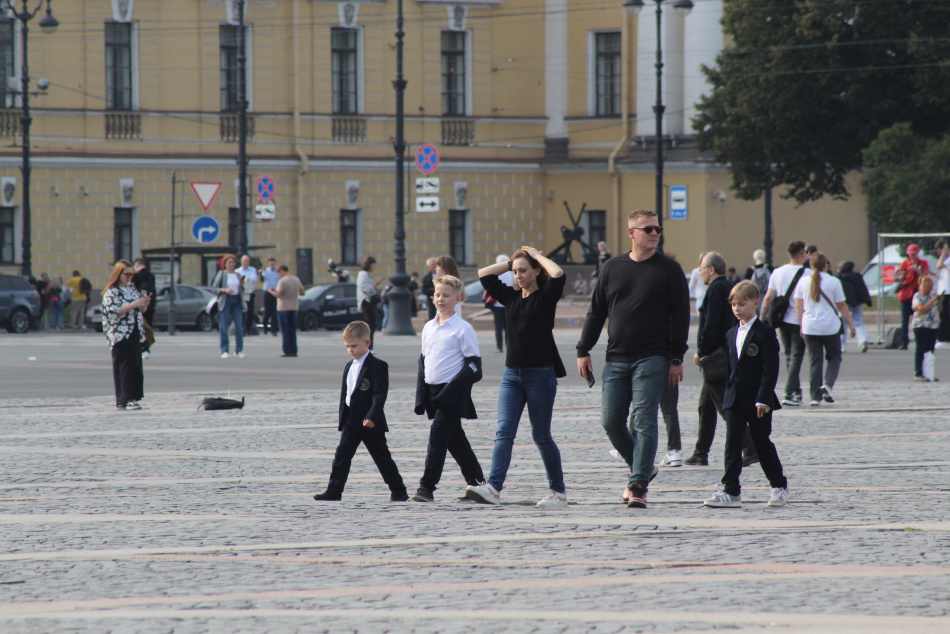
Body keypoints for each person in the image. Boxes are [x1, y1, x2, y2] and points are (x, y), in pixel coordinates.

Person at [576, 209, 690, 509]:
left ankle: (638, 484)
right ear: (631, 233)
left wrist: (677, 357)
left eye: (657, 229)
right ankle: (643, 466)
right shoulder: (613, 268)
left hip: (653, 357)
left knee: (643, 419)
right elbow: (596, 311)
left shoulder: (669, 270)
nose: (654, 233)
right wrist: (583, 349)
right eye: (648, 229)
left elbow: (682, 316)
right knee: (611, 421)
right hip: (615, 358)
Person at [466, 246, 568, 508]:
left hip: (541, 376)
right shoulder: (510, 298)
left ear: (536, 271)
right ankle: (493, 488)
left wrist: (536, 256)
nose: (518, 275)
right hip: (511, 376)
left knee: (541, 436)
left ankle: (558, 492)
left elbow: (557, 274)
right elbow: (484, 275)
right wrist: (511, 261)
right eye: (514, 272)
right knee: (504, 432)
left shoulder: (545, 298)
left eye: (523, 270)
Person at [702, 281, 789, 508]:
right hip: (734, 399)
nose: (737, 308)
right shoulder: (731, 334)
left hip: (758, 400)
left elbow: (770, 369)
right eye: (733, 305)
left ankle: (779, 485)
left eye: (742, 304)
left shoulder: (765, 332)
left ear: (756, 303)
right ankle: (731, 490)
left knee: (761, 443)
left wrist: (764, 397)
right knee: (732, 443)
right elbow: (731, 368)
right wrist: (727, 396)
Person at [313, 321, 409, 502]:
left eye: (354, 346)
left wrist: (373, 416)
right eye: (347, 346)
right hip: (351, 420)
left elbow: (379, 395)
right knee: (341, 456)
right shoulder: (349, 366)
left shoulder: (378, 365)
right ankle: (334, 491)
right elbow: (346, 394)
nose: (350, 350)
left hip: (369, 421)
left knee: (382, 458)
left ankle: (399, 490)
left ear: (367, 342)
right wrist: (343, 418)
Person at [412, 274, 486, 503]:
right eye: (437, 294)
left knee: (438, 436)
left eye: (446, 295)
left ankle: (426, 488)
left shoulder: (463, 329)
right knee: (455, 440)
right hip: (434, 392)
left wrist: (454, 388)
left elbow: (475, 366)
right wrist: (421, 396)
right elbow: (424, 361)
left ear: (458, 298)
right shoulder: (428, 328)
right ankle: (478, 484)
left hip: (453, 393)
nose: (440, 299)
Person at [685, 252, 758, 468]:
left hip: (715, 357)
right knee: (706, 407)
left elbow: (711, 325)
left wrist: (702, 351)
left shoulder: (715, 290)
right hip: (725, 353)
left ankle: (751, 448)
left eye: (702, 269)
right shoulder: (727, 287)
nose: (700, 273)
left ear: (711, 270)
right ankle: (700, 453)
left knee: (726, 408)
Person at [794, 253, 856, 406]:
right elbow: (841, 305)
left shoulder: (802, 282)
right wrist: (851, 324)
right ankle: (827, 385)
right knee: (834, 357)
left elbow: (798, 306)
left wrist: (801, 324)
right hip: (830, 327)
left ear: (811, 265)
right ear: (826, 265)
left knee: (815, 361)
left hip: (809, 326)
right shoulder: (834, 282)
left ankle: (815, 397)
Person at [760, 240, 809, 407]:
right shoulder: (808, 274)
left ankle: (796, 391)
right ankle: (790, 392)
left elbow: (767, 298)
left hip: (782, 320)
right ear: (803, 254)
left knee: (789, 356)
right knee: (796, 357)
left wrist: (761, 318)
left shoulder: (778, 272)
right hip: (800, 319)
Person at [100, 260, 150, 410]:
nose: (129, 277)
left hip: (134, 331)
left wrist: (144, 304)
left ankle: (134, 397)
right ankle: (125, 398)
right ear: (119, 274)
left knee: (135, 365)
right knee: (124, 366)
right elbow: (114, 311)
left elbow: (141, 311)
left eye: (131, 274)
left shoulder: (132, 289)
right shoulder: (112, 291)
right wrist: (133, 304)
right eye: (126, 274)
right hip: (119, 334)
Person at [896, 244, 930, 350]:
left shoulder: (923, 263)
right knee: (904, 320)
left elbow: (926, 278)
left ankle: (921, 340)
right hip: (906, 294)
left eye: (913, 254)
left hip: (917, 293)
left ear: (917, 253)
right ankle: (904, 342)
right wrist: (903, 275)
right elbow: (899, 277)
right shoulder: (904, 263)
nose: (911, 256)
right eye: (909, 254)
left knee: (919, 318)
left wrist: (918, 271)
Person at [212, 255, 245, 359]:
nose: (231, 264)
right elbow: (214, 288)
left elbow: (241, 290)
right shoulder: (222, 274)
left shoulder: (238, 275)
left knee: (239, 327)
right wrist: (225, 290)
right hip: (226, 301)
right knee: (224, 327)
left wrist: (242, 286)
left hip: (236, 301)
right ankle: (224, 350)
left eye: (233, 262)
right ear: (225, 264)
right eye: (229, 262)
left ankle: (238, 350)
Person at [269, 264, 305, 357]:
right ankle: (294, 350)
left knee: (285, 330)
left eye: (279, 273)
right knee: (292, 330)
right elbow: (302, 292)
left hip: (283, 308)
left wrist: (271, 291)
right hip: (294, 307)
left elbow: (279, 294)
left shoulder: (282, 281)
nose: (279, 275)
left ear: (282, 271)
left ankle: (287, 350)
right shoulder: (296, 279)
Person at [837, 261, 871, 353]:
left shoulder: (841, 278)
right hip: (857, 302)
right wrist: (867, 300)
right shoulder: (857, 276)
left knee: (842, 324)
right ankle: (863, 340)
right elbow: (863, 289)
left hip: (846, 303)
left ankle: (842, 346)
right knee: (858, 322)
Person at [483, 254, 514, 353]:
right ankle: (509, 347)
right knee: (508, 327)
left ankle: (499, 347)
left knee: (498, 327)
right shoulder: (511, 274)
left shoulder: (496, 273)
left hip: (496, 303)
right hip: (508, 303)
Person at [912, 275, 940, 382]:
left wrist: (939, 301)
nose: (930, 290)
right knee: (920, 349)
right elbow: (922, 309)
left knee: (930, 350)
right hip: (921, 326)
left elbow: (939, 310)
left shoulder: (931, 297)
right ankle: (918, 372)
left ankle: (928, 372)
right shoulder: (917, 297)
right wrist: (932, 300)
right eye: (928, 287)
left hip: (933, 327)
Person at [132, 258, 157, 359]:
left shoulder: (136, 276)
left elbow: (134, 291)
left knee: (138, 327)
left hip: (139, 305)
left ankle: (140, 347)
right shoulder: (151, 276)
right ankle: (146, 348)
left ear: (137, 265)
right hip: (150, 305)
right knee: (148, 326)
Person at [356, 256, 384, 349]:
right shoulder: (363, 274)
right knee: (370, 325)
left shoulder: (367, 275)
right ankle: (368, 347)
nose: (374, 267)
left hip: (370, 302)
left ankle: (369, 346)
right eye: (373, 265)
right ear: (369, 265)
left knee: (372, 324)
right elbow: (365, 288)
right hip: (366, 302)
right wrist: (376, 283)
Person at [235, 255, 259, 335]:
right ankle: (242, 328)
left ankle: (248, 329)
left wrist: (244, 278)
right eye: (244, 261)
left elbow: (253, 278)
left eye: (247, 261)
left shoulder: (252, 270)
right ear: (241, 262)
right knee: (241, 311)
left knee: (250, 312)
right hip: (241, 293)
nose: (245, 263)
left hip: (250, 292)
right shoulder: (237, 271)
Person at [744, 249, 772, 315]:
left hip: (755, 297)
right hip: (769, 295)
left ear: (754, 258)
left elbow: (744, 286)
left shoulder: (750, 270)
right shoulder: (769, 268)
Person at [934, 240, 950, 349]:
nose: (939, 254)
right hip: (943, 290)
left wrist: (944, 253)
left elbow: (938, 265)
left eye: (939, 251)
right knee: (942, 315)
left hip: (947, 292)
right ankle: (944, 338)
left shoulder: (948, 259)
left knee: (944, 316)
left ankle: (944, 339)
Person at [260, 257, 280, 336]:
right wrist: (260, 274)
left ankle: (273, 330)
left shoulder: (277, 271)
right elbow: (261, 279)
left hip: (275, 293)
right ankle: (265, 327)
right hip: (267, 293)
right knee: (267, 312)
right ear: (268, 264)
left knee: (274, 312)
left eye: (273, 264)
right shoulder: (265, 271)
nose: (272, 265)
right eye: (271, 264)